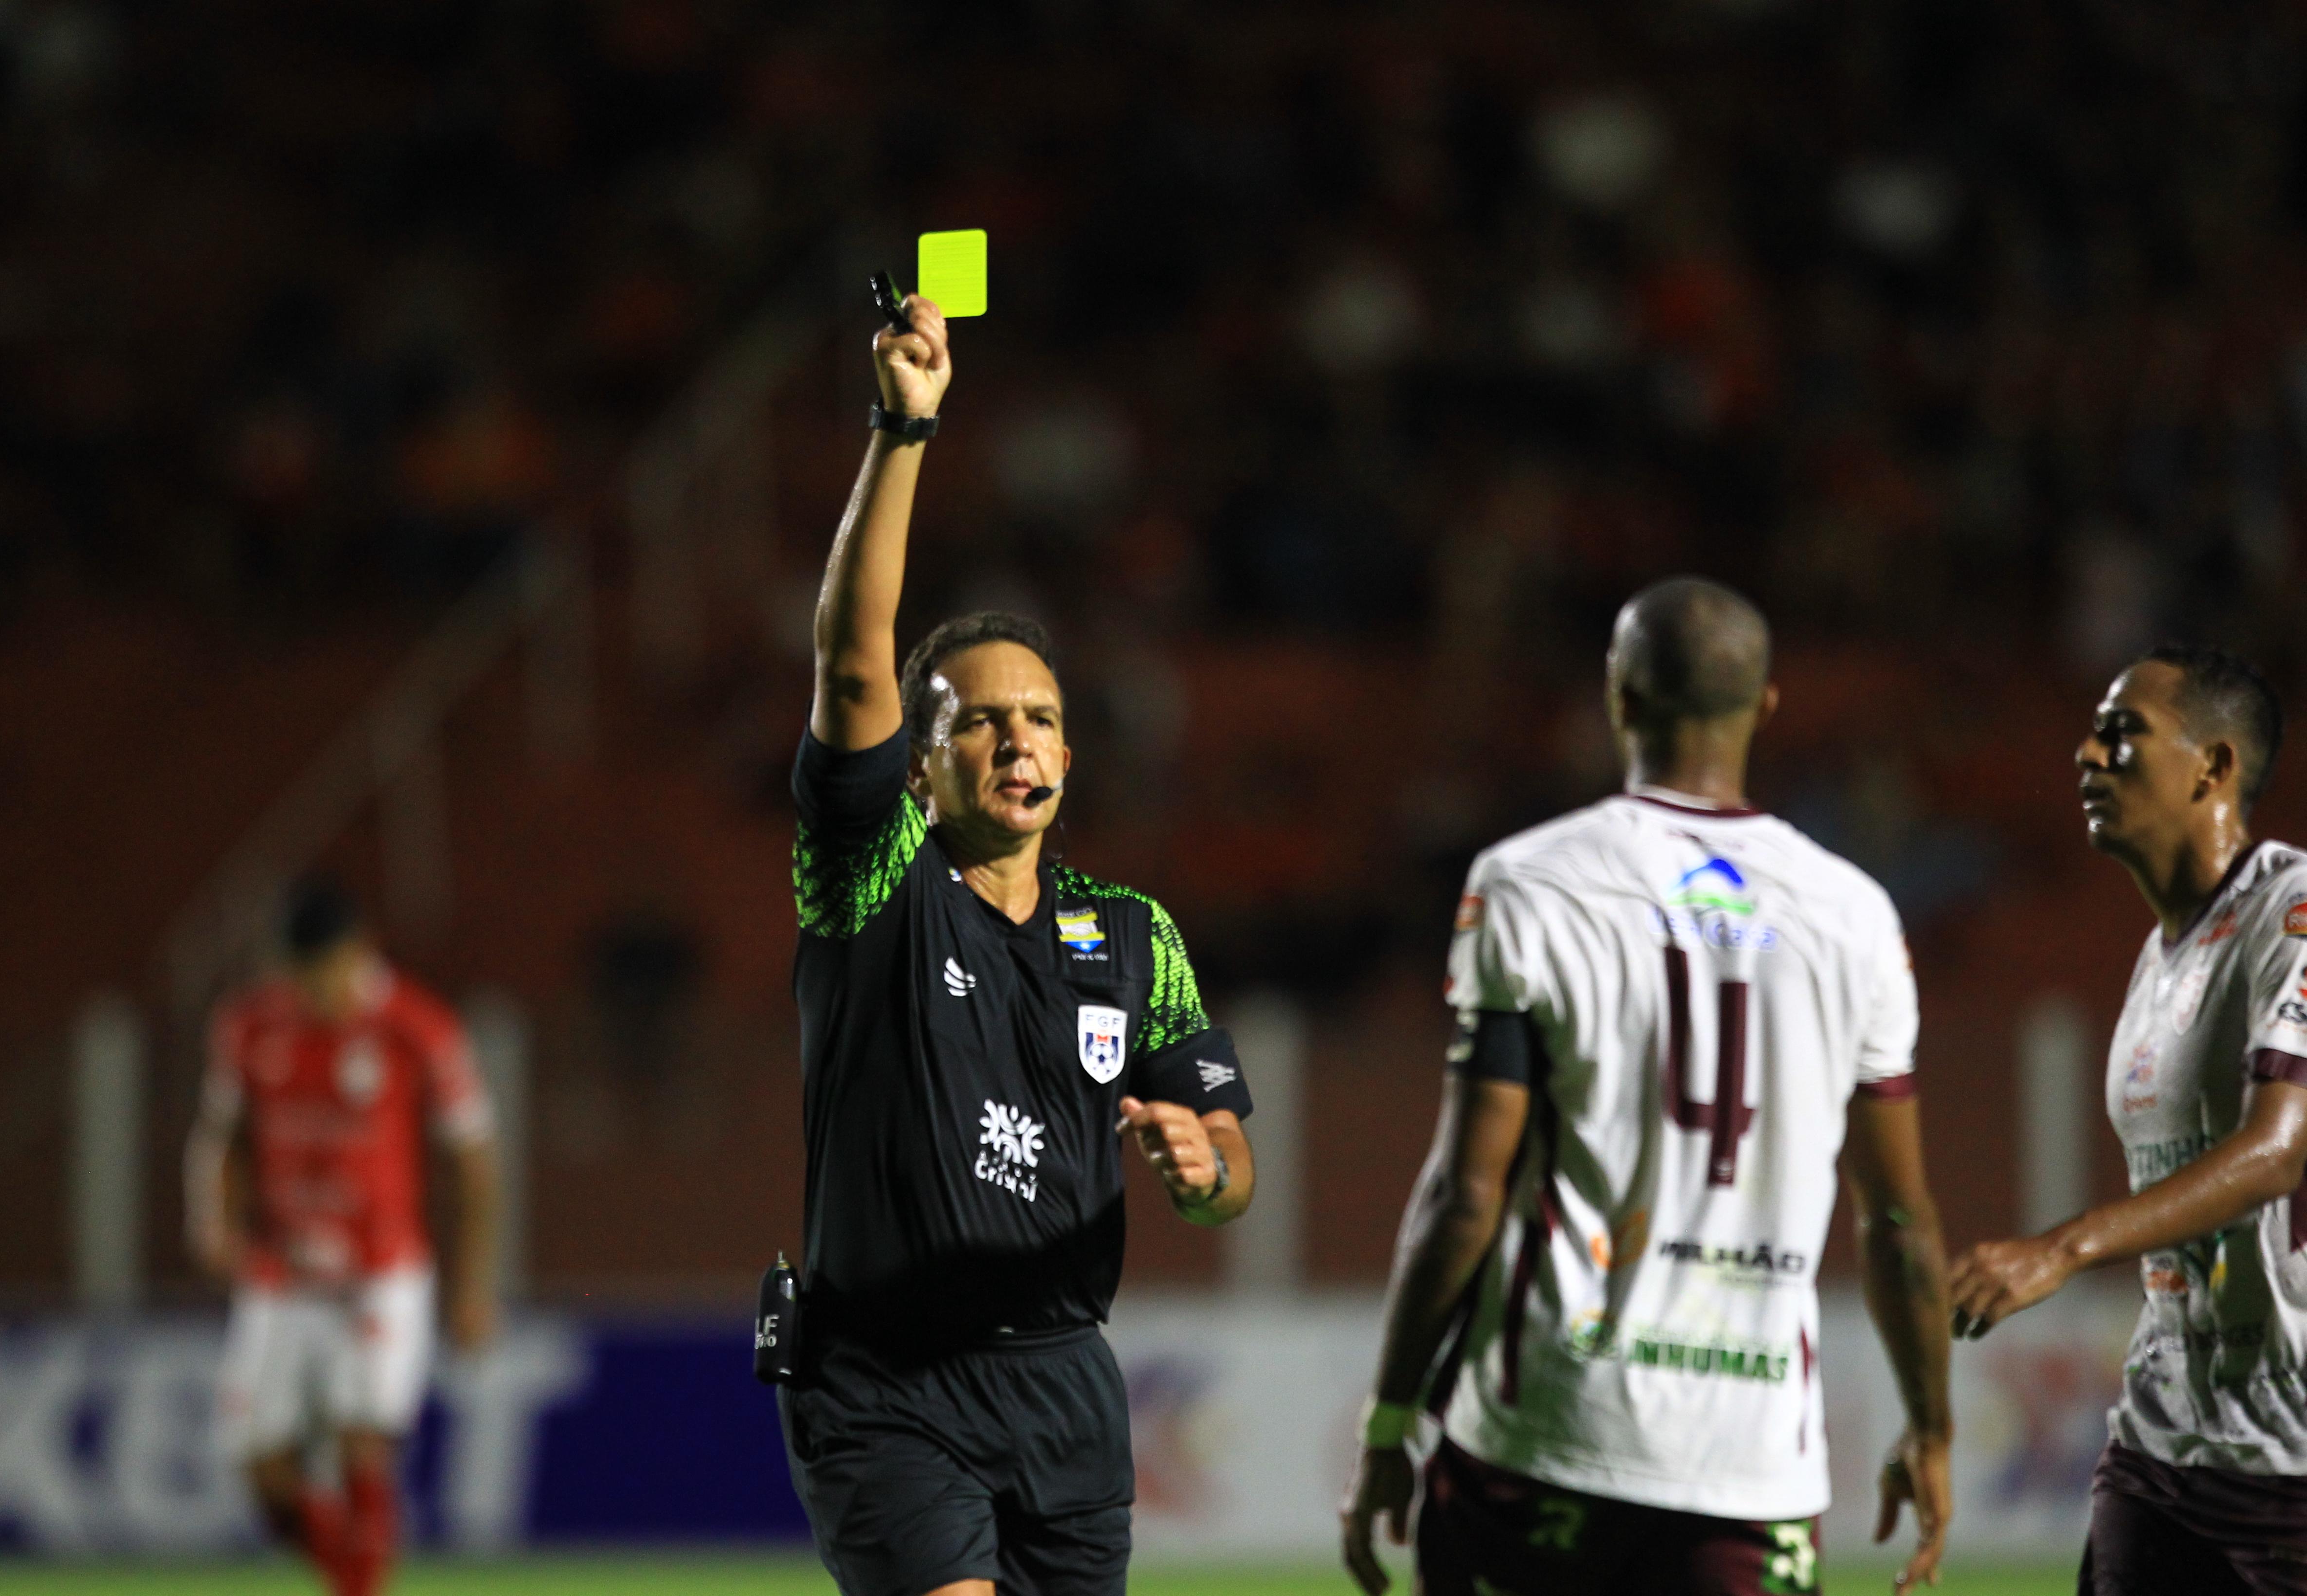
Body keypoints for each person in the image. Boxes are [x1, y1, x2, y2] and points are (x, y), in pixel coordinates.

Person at [1340, 577, 1955, 1596]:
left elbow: (1464, 1196)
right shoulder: (1857, 917)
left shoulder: (1528, 880)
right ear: (1764, 709)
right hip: (1751, 1469)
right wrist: (1931, 1428)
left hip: (1541, 1436)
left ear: (1617, 699)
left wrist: (1389, 1426)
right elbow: (1900, 1221)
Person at [780, 288, 1257, 1596]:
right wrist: (903, 427)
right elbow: (852, 662)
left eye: (1040, 719)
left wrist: (1198, 1160)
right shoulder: (874, 886)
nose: (1017, 742)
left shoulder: (1133, 937)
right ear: (922, 765)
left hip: (1064, 1392)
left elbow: (1231, 1177)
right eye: (979, 723)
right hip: (887, 1381)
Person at [1950, 644, 2307, 1596]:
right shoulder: (2161, 957)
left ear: (2214, 765)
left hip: (2288, 1467)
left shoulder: (2294, 912)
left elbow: (2279, 1151)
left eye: (2122, 734)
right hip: (2159, 1446)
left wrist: (2061, 1250)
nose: (2086, 754)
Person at [184, 878, 499, 1596]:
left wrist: (475, 1289)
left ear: (359, 953)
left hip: (380, 1273)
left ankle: (359, 1587)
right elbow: (223, 1137)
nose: (309, 989)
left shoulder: (418, 1027)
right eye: (296, 974)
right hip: (282, 1274)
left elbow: (477, 1163)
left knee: (365, 1442)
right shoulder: (251, 1025)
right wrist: (214, 1218)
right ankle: (348, 1578)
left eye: (320, 971)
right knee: (263, 1470)